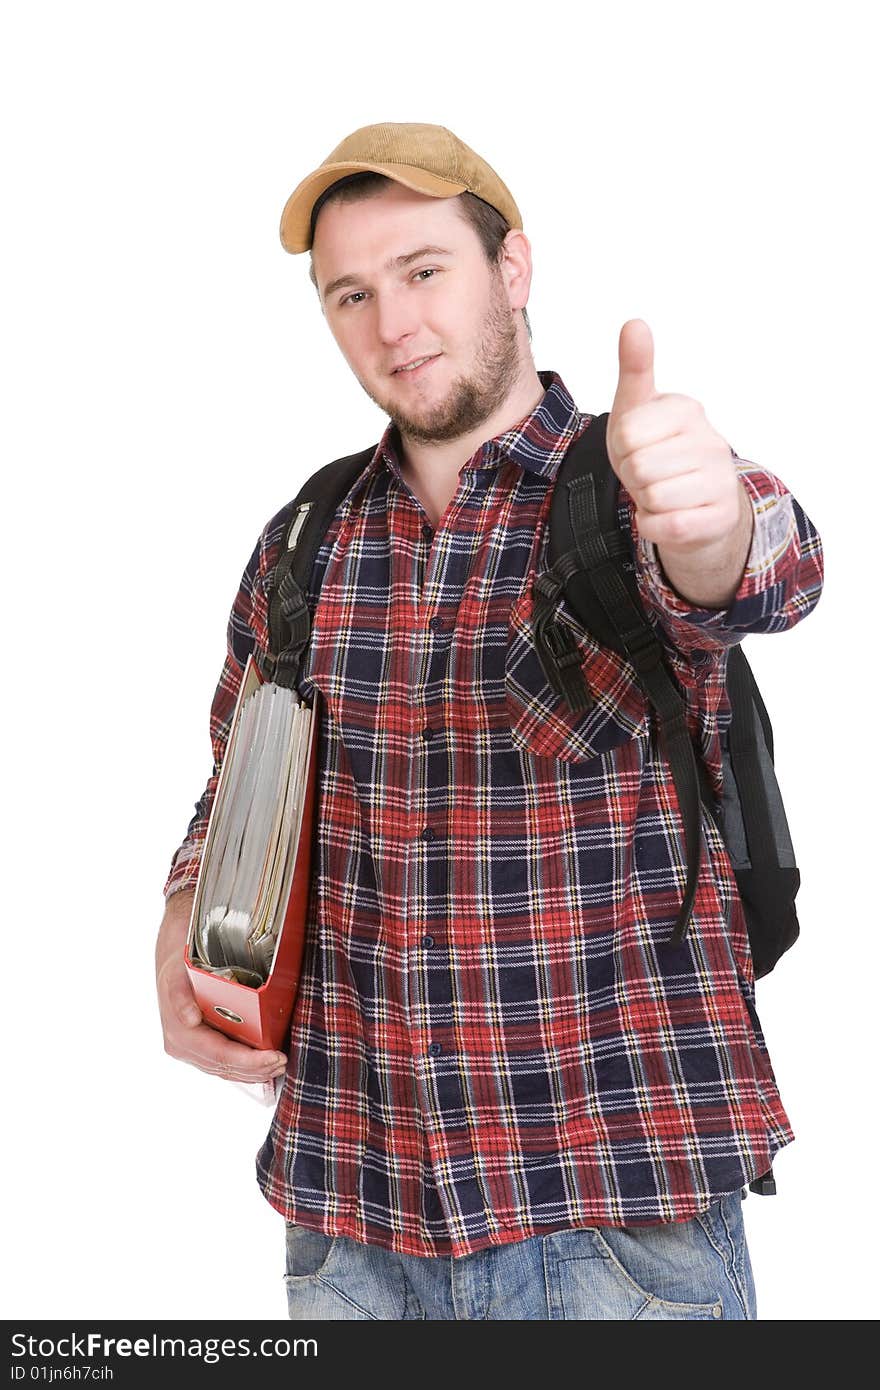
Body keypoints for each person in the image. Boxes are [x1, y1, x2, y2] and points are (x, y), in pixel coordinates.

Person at [155, 122, 824, 1321]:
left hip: (613, 1219)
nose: (392, 324)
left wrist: (714, 520)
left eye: (423, 272)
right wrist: (180, 924)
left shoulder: (625, 489)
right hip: (353, 1224)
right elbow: (238, 780)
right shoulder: (304, 541)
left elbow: (762, 564)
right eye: (349, 293)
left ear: (510, 269)